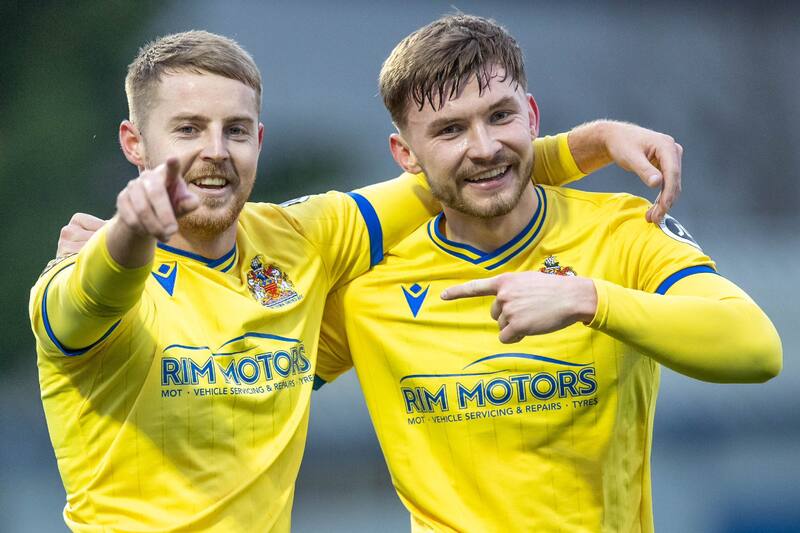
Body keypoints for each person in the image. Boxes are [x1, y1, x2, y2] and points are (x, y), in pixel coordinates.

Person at [37, 31, 685, 533]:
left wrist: (596, 141)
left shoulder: (302, 237)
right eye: (187, 129)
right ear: (134, 142)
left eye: (235, 130)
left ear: (259, 139)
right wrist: (128, 234)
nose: (215, 150)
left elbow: (453, 176)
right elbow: (90, 300)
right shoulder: (86, 268)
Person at [314, 14, 782, 533]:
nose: (485, 146)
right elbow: (251, 387)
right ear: (406, 154)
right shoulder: (368, 285)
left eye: (499, 116)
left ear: (532, 117)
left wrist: (590, 300)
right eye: (451, 129)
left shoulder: (621, 230)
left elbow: (757, 349)